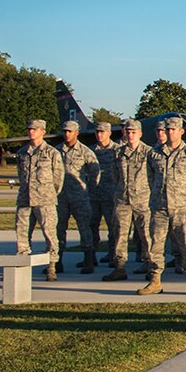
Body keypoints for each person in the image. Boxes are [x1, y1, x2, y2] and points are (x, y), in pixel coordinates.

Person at [141, 116, 186, 296]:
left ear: (181, 132)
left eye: (173, 129)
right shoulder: (154, 153)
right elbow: (150, 178)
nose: (169, 132)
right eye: (167, 130)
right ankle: (155, 280)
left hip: (183, 208)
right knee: (156, 245)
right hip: (159, 207)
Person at [103, 119, 156, 281]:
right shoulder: (118, 153)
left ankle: (150, 265)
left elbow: (154, 177)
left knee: (147, 235)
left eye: (134, 132)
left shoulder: (149, 153)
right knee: (120, 234)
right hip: (123, 200)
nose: (130, 135)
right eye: (128, 132)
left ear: (140, 133)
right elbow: (115, 175)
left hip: (143, 200)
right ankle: (119, 267)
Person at [14, 119, 64, 280]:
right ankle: (22, 264)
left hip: (45, 199)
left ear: (43, 131)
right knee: (22, 234)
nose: (31, 132)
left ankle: (51, 266)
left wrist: (48, 193)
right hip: (24, 199)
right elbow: (21, 175)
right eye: (29, 129)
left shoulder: (51, 153)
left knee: (49, 233)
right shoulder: (22, 153)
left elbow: (58, 178)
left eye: (35, 129)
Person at [54, 119, 100, 275]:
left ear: (76, 133)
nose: (67, 134)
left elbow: (95, 172)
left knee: (84, 228)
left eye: (70, 131)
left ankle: (88, 259)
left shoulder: (85, 152)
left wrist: (90, 190)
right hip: (60, 196)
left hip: (80, 196)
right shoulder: (56, 151)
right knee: (59, 228)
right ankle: (57, 260)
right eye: (65, 131)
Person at [91, 121, 121, 269]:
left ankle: (112, 254)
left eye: (103, 132)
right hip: (94, 195)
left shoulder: (117, 150)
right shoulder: (90, 151)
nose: (100, 135)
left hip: (111, 195)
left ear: (109, 133)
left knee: (113, 227)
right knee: (92, 227)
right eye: (97, 132)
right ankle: (90, 257)